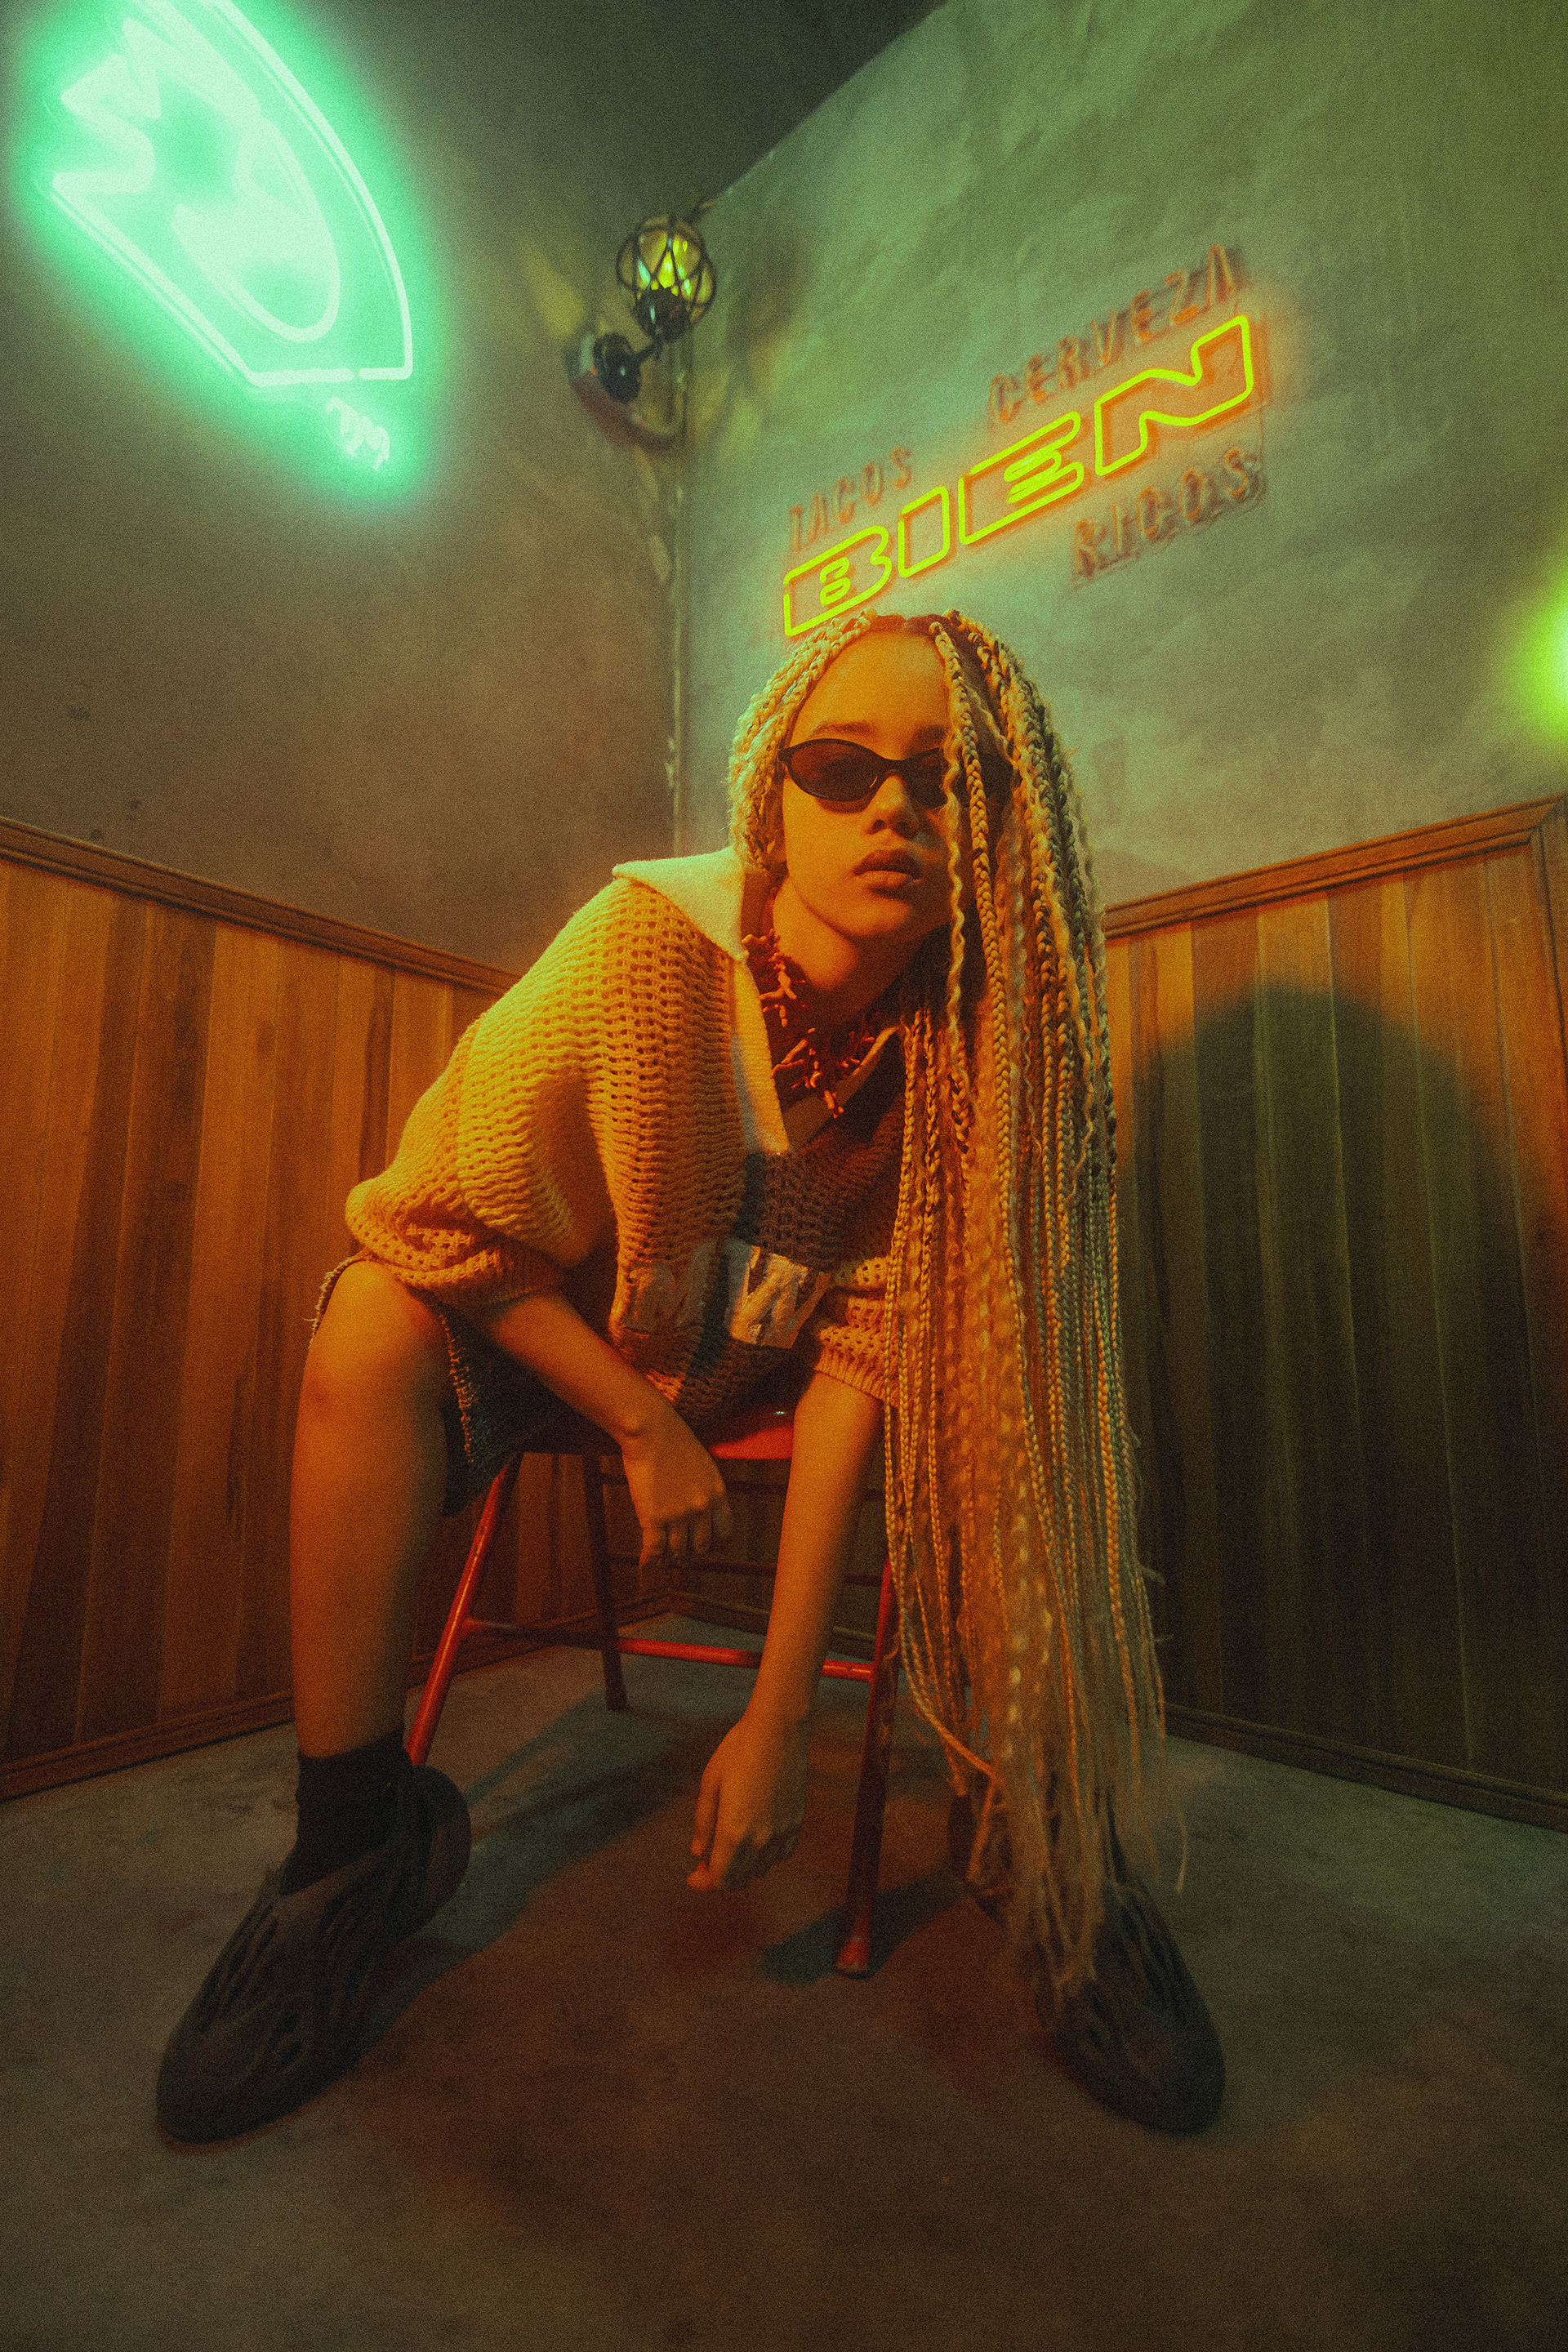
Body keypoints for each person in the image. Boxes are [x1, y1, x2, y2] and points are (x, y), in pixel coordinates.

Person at [156, 608, 1223, 2144]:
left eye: (949, 776)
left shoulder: (970, 1048)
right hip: (569, 1345)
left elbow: (867, 1357)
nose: (896, 808)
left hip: (769, 1370)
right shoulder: (644, 949)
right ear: (774, 799)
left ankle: (1030, 1826)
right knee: (370, 1320)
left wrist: (780, 1711)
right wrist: (641, 1419)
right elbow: (432, 1225)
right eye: (843, 768)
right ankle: (349, 1853)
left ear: (1002, 820)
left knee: (1008, 1360)